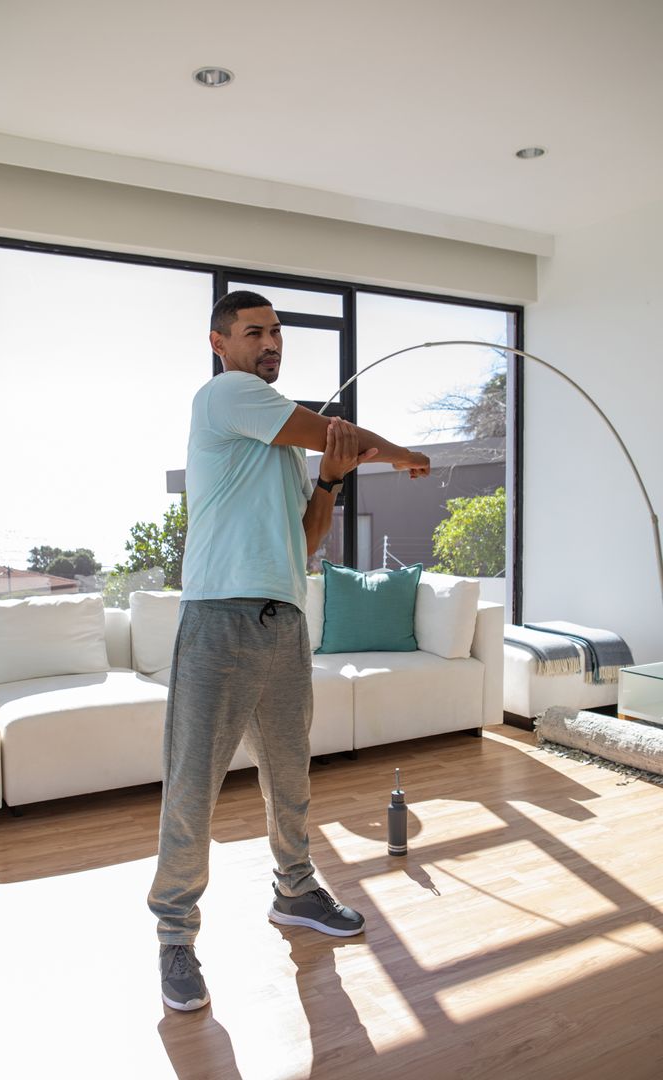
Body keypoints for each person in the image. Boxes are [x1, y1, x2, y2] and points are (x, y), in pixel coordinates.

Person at [148, 290, 430, 1011]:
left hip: (283, 620)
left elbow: (304, 542)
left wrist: (332, 479)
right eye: (254, 332)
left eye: (276, 332)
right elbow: (337, 428)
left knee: (289, 773)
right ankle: (175, 938)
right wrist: (398, 455)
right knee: (192, 786)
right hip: (218, 618)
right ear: (220, 343)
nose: (270, 343)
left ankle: (295, 890)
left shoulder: (273, 446)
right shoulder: (226, 397)